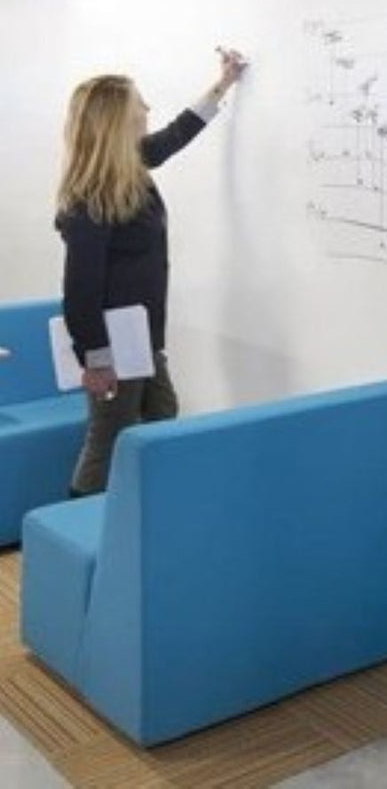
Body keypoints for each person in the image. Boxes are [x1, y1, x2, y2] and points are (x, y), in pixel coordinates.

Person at [56, 47, 248, 496]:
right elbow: (80, 292)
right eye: (138, 103)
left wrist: (222, 84)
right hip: (112, 342)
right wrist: (97, 360)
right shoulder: (91, 202)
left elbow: (175, 135)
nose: (146, 109)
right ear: (116, 121)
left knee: (162, 414)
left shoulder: (131, 167)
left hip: (141, 336)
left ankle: (141, 512)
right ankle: (83, 525)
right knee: (108, 438)